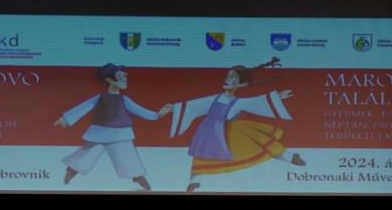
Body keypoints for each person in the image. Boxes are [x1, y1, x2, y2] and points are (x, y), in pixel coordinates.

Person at [168, 57, 306, 192]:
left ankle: (290, 157)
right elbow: (195, 105)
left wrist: (278, 97)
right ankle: (194, 181)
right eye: (228, 76)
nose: (227, 79)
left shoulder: (239, 102)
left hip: (229, 133)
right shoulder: (214, 98)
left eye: (232, 77)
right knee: (201, 154)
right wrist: (175, 107)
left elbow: (256, 102)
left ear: (242, 84)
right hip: (208, 131)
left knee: (260, 140)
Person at [55, 63, 172, 191]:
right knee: (88, 153)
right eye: (120, 74)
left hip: (120, 133)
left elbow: (139, 110)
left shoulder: (124, 99)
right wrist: (65, 119)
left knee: (127, 156)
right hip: (100, 132)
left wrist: (157, 115)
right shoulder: (101, 97)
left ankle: (138, 177)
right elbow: (84, 107)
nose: (125, 76)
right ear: (109, 79)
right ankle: (72, 170)